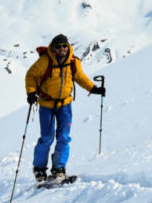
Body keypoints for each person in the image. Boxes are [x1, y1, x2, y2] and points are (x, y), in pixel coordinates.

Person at [25, 33, 105, 182]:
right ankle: (39, 169)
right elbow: (31, 76)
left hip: (65, 105)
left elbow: (80, 77)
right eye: (58, 47)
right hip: (46, 105)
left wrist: (93, 89)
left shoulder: (73, 61)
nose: (62, 49)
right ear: (53, 49)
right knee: (47, 137)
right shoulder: (45, 61)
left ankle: (59, 168)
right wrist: (31, 92)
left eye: (64, 46)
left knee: (63, 137)